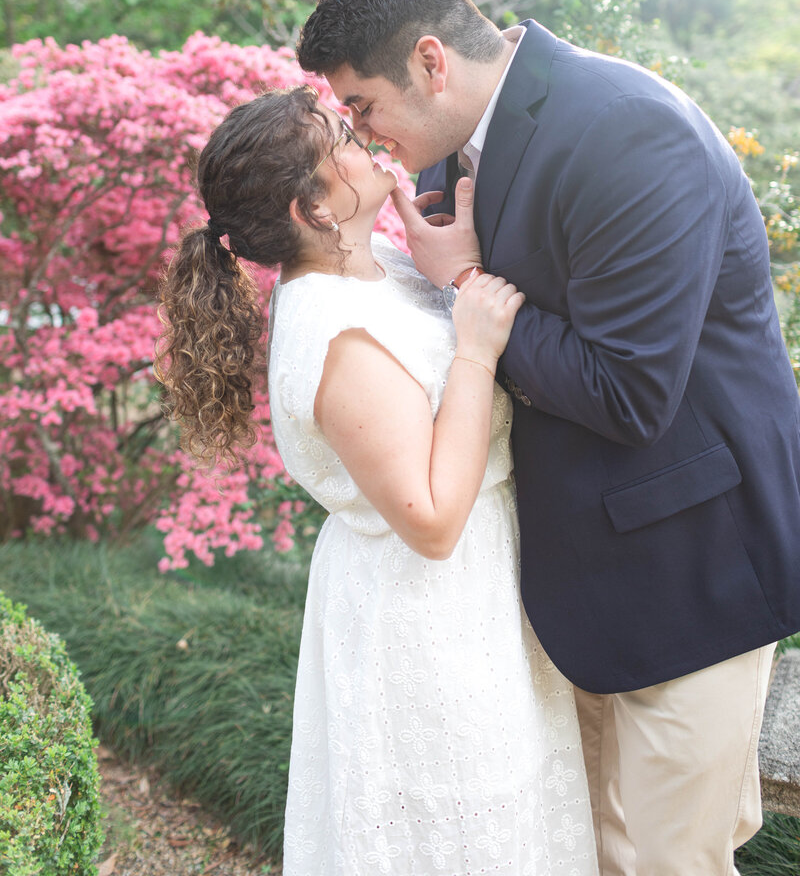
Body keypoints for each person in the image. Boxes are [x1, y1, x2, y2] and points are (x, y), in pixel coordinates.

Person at [295, 0, 800, 876]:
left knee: (669, 862)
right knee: (594, 853)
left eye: (364, 108)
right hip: (573, 588)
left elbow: (628, 390)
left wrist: (463, 286)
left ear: (432, 62)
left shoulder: (626, 131)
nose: (365, 139)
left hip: (692, 566)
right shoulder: (465, 145)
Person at [156, 85, 599, 875]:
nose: (367, 140)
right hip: (426, 618)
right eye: (344, 143)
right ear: (315, 210)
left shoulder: (378, 267)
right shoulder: (338, 334)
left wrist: (455, 265)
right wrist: (475, 349)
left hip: (479, 599)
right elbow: (430, 521)